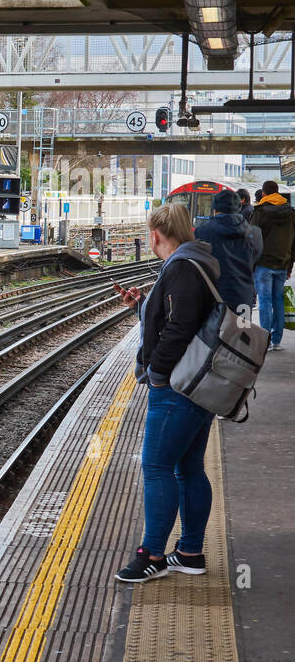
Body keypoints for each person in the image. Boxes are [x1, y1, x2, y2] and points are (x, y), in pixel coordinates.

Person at [112, 203, 220, 583]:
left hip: (177, 386)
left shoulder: (181, 268)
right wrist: (142, 305)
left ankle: (153, 554)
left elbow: (178, 328)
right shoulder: (196, 262)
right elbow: (180, 318)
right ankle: (189, 552)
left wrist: (156, 373)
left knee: (157, 467)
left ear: (156, 234)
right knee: (188, 467)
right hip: (196, 383)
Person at [193, 188, 260, 312]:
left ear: (215, 209)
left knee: (214, 331)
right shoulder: (255, 233)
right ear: (239, 208)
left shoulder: (201, 232)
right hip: (243, 299)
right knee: (242, 330)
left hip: (213, 299)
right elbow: (256, 260)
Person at [251, 180, 295, 351]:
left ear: (263, 193)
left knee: (264, 301)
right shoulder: (291, 213)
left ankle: (265, 340)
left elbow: (252, 240)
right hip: (283, 263)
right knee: (278, 300)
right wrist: (290, 265)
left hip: (263, 264)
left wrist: (251, 263)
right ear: (278, 192)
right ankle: (276, 340)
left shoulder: (260, 212)